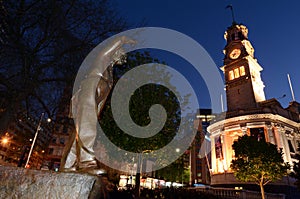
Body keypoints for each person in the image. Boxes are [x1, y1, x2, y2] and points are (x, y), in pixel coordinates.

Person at [61, 36, 135, 174]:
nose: (124, 57)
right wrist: (121, 40)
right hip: (91, 87)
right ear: (114, 52)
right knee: (87, 125)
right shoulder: (103, 60)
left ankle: (67, 164)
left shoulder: (111, 71)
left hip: (97, 94)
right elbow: (104, 52)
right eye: (121, 53)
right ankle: (86, 161)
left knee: (81, 128)